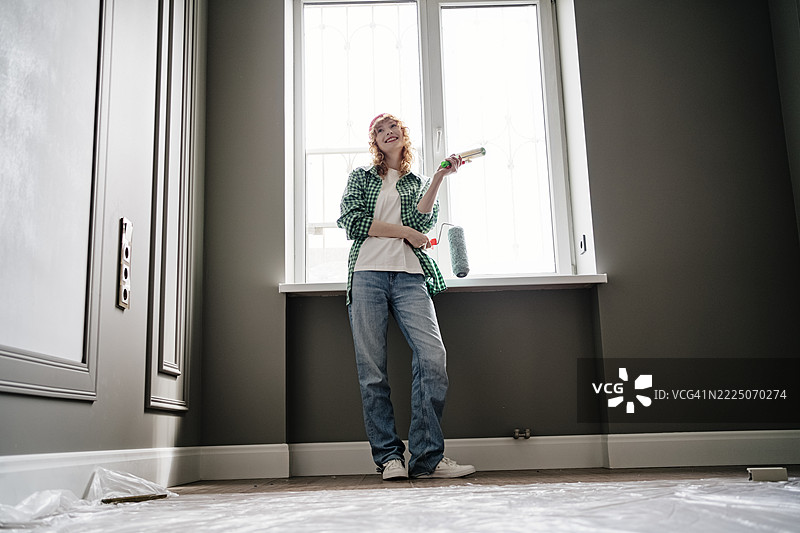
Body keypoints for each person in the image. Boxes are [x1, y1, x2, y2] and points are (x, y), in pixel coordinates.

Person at [337, 113, 476, 480]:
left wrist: (439, 178)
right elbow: (352, 221)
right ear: (374, 142)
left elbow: (423, 224)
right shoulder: (362, 177)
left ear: (403, 134)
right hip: (366, 275)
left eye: (392, 127)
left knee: (433, 357)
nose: (387, 133)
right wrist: (403, 233)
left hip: (411, 277)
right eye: (379, 131)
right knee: (372, 372)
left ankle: (427, 459)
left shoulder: (416, 182)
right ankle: (388, 458)